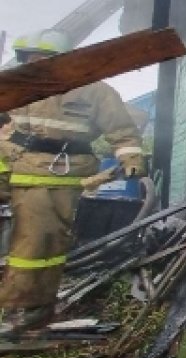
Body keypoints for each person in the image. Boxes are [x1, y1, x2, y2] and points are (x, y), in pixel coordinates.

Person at [0, 29, 145, 334]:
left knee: (36, 245)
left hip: (51, 177)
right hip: (8, 169)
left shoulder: (92, 90)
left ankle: (25, 310)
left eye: (42, 59)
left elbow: (122, 130)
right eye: (28, 58)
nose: (34, 64)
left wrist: (131, 161)